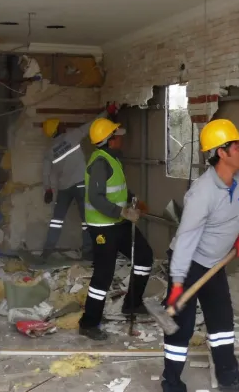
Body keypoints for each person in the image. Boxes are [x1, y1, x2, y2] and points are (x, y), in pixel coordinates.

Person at [161, 119, 239, 392]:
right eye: (238, 146)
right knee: (181, 326)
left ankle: (229, 377)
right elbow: (186, 240)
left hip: (215, 264)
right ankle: (171, 383)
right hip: (189, 262)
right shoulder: (201, 193)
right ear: (222, 153)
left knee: (222, 320)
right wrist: (178, 282)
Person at [77, 117, 154, 341]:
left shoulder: (112, 158)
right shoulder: (100, 163)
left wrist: (133, 201)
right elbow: (96, 197)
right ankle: (89, 323)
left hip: (118, 223)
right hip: (103, 227)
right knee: (104, 274)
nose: (121, 138)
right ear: (109, 140)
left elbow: (117, 189)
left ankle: (132, 304)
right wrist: (122, 212)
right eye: (116, 135)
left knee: (143, 256)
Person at [39, 106, 115, 261]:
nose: (63, 125)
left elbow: (45, 172)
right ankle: (87, 252)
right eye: (60, 124)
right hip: (81, 184)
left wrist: (48, 189)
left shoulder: (50, 152)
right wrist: (108, 111)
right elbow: (92, 124)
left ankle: (47, 251)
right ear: (57, 129)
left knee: (56, 220)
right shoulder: (72, 136)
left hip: (63, 188)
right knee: (86, 220)